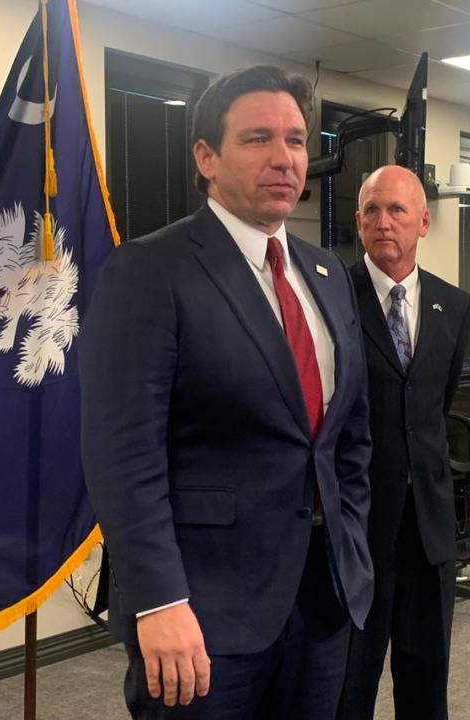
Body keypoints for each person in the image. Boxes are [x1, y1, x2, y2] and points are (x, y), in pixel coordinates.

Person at [79, 65, 373, 720]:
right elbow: (122, 458)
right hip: (202, 613)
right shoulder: (150, 271)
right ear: (206, 158)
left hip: (323, 598)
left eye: (297, 140)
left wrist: (353, 546)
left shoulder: (326, 274)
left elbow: (349, 435)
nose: (283, 158)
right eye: (257, 138)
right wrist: (157, 601)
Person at [336, 165, 470, 720]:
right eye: (371, 210)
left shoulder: (454, 305)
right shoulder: (331, 295)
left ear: (424, 222)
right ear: (358, 222)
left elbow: (435, 409)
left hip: (429, 532)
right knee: (351, 686)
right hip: (359, 529)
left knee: (424, 687)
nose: (383, 222)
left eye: (396, 211)